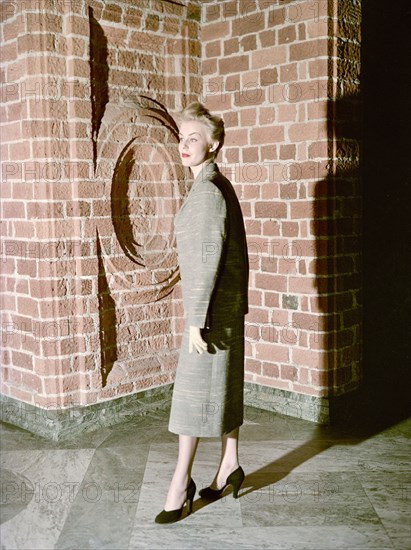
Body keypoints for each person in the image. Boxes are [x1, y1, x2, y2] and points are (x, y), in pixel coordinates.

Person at [155, 102, 249, 524]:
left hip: (209, 314)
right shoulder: (217, 185)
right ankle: (229, 463)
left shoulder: (208, 191)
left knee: (190, 403)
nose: (184, 145)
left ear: (214, 144)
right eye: (181, 137)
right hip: (222, 310)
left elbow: (208, 257)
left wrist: (195, 319)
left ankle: (180, 484)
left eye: (194, 138)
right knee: (223, 387)